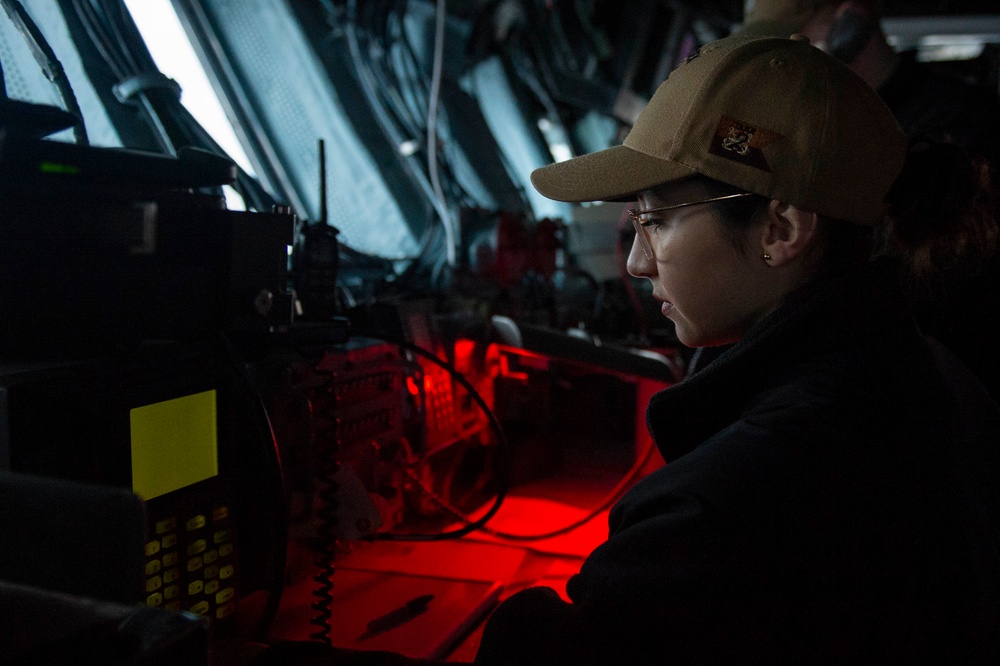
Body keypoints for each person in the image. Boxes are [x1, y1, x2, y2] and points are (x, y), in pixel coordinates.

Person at [254, 34, 1000, 665]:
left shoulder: (734, 503)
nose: (638, 264)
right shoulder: (911, 371)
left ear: (782, 229)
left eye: (657, 221)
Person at [740, 0, 1000, 401]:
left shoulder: (956, 121)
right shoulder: (824, 123)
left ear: (853, 20)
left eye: (800, 37)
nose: (786, 60)